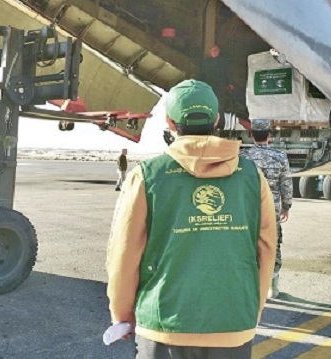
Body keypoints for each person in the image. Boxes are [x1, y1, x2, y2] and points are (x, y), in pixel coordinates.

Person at [106, 79, 277, 358]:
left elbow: (124, 255)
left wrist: (122, 314)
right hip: (233, 323)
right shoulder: (252, 177)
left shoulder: (146, 176)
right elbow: (267, 250)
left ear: (170, 123)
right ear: (217, 119)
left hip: (164, 326)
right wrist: (249, 310)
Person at [241, 119, 293, 299]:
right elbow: (286, 184)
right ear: (270, 135)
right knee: (273, 244)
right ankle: (273, 286)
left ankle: (251, 286)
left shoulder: (243, 156)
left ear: (251, 134)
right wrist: (286, 206)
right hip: (272, 210)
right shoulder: (280, 156)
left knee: (247, 245)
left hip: (247, 210)